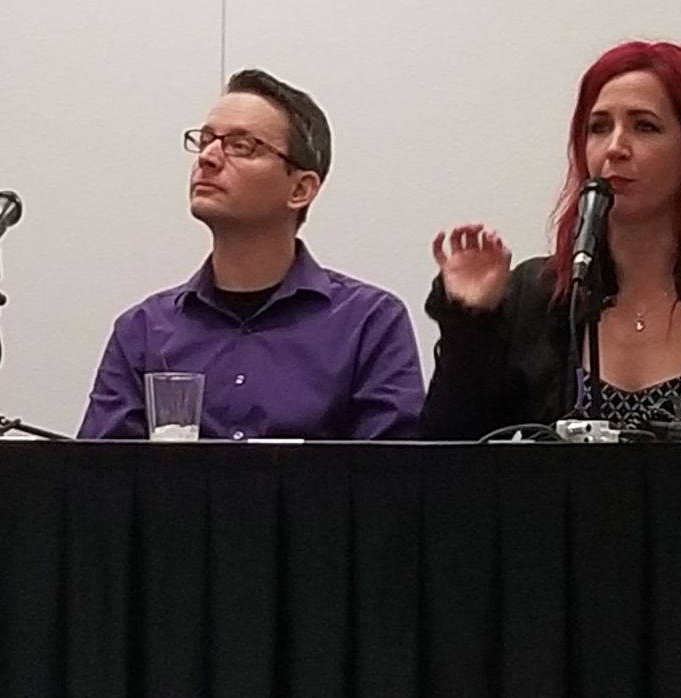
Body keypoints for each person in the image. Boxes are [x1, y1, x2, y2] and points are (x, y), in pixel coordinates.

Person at [419, 40, 681, 689]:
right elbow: (448, 460)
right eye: (598, 127)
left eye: (644, 127)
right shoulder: (539, 296)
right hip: (553, 604)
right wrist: (470, 323)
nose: (614, 147)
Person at [79, 69, 423, 440]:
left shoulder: (369, 323)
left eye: (241, 145)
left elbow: (389, 484)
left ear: (301, 189)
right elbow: (102, 484)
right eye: (206, 141)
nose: (208, 158)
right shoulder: (143, 330)